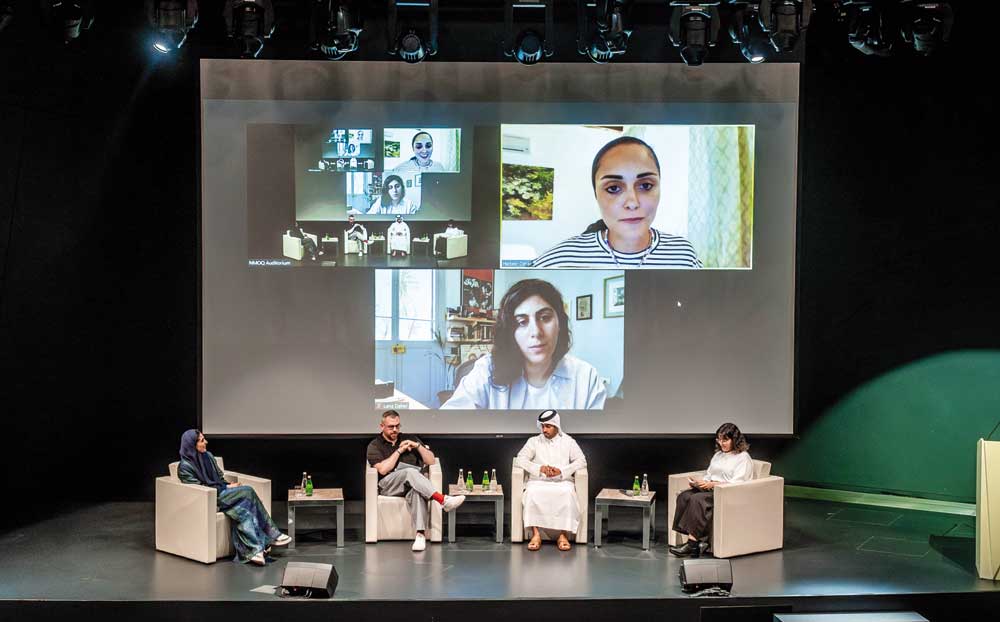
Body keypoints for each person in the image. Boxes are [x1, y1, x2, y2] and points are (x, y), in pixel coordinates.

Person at [531, 136, 702, 269]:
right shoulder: (559, 261)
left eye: (645, 185)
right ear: (596, 195)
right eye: (613, 188)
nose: (632, 203)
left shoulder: (683, 254)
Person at [441, 279, 606, 410]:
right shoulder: (486, 369)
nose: (536, 332)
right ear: (510, 331)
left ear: (560, 323)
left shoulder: (586, 377)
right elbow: (449, 423)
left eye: (545, 317)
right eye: (522, 322)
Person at [177, 430, 291, 565]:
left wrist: (228, 485)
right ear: (192, 445)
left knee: (244, 511)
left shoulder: (208, 456)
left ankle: (255, 551)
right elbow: (198, 490)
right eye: (202, 440)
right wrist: (226, 488)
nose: (206, 442)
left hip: (222, 492)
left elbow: (219, 478)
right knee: (248, 491)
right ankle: (272, 535)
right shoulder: (184, 467)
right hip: (209, 499)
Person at [366, 410, 466, 551]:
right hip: (389, 485)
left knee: (417, 491)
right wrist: (399, 451)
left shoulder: (410, 438)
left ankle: (420, 535)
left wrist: (417, 446)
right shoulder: (374, 445)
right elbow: (382, 469)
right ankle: (442, 500)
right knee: (409, 471)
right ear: (381, 426)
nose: (395, 430)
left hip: (412, 483)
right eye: (391, 427)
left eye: (397, 426)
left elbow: (431, 460)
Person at [669, 422, 754, 557]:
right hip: (711, 489)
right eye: (719, 440)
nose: (721, 443)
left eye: (725, 440)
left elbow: (738, 482)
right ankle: (696, 542)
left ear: (735, 439)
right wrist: (700, 483)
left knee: (697, 500)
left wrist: (714, 485)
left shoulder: (743, 458)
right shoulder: (718, 455)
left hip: (726, 493)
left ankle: (692, 544)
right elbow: (709, 474)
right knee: (684, 496)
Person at [516, 410, 587, 551]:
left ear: (556, 426)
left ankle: (563, 535)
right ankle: (536, 535)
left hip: (562, 481)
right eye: (542, 426)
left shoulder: (568, 441)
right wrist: (539, 468)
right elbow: (520, 459)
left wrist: (562, 471)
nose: (544, 430)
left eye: (548, 426)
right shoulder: (534, 441)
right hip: (538, 481)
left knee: (567, 493)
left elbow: (581, 461)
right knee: (531, 492)